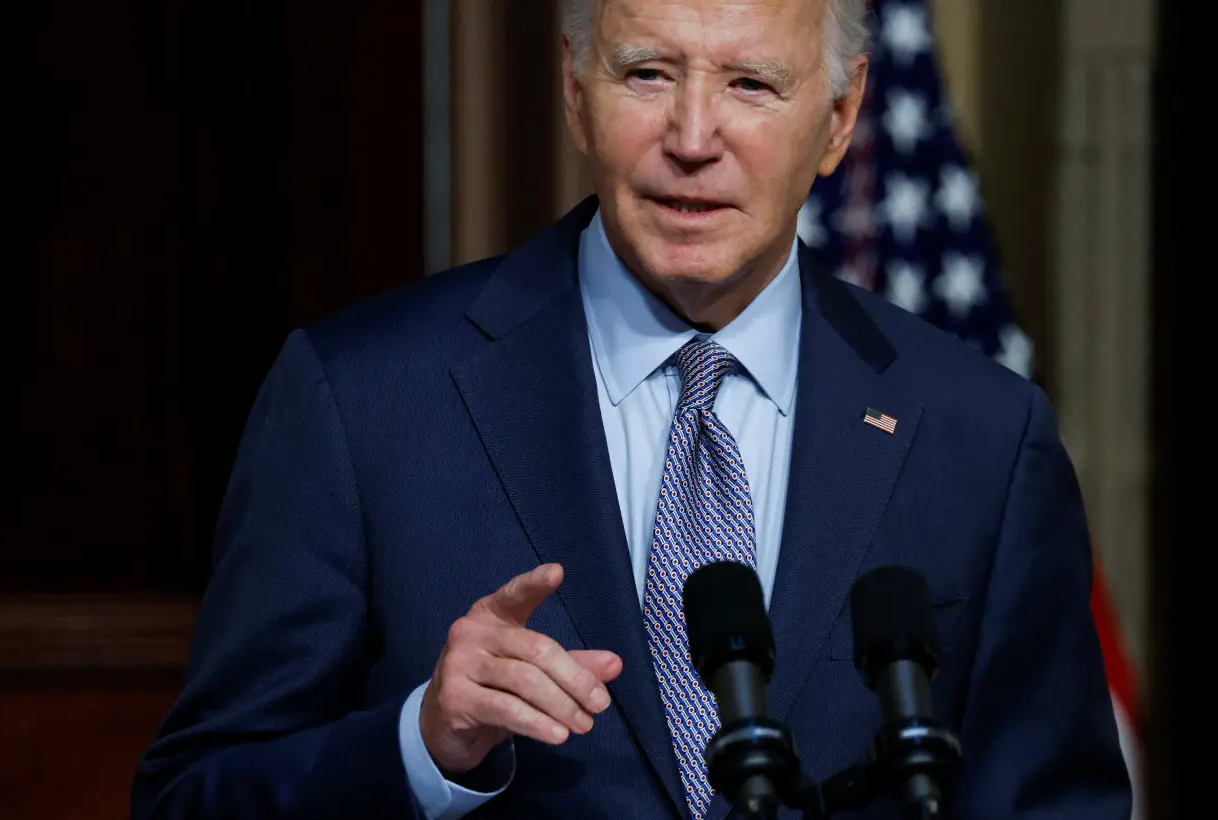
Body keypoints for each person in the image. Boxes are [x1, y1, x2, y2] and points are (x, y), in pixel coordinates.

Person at [131, 0, 1132, 817]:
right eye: (648, 72)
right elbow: (191, 800)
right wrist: (421, 744)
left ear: (838, 117)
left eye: (750, 83)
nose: (692, 138)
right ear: (575, 91)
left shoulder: (980, 435)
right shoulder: (360, 399)